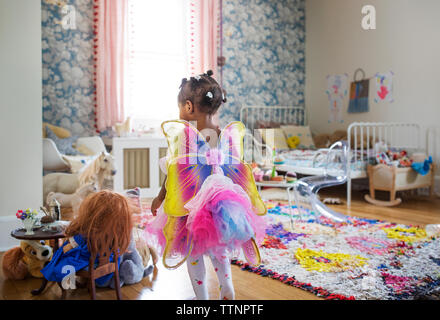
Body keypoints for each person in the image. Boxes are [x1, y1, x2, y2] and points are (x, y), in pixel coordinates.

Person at [146, 70, 266, 300]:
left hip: (190, 206)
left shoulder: (186, 138)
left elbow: (176, 174)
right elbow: (234, 170)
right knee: (218, 247)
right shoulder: (225, 135)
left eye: (180, 108)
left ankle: (202, 298)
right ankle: (226, 288)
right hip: (223, 203)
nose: (179, 114)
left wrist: (160, 197)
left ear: (189, 107)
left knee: (193, 251)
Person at [41, 190, 133, 287]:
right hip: (110, 261)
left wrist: (68, 246)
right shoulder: (115, 231)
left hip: (94, 262)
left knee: (63, 256)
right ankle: (75, 281)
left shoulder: (88, 232)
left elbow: (74, 244)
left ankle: (69, 285)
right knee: (68, 253)